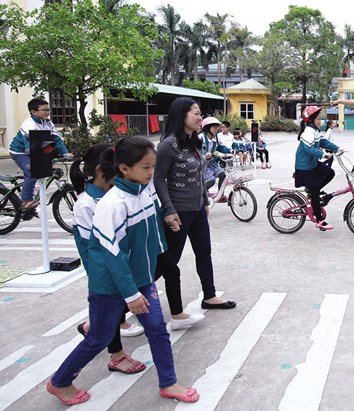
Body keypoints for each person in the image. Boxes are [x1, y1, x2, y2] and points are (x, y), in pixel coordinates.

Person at [47, 137, 199, 405]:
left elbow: (150, 236)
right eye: (146, 167)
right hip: (111, 285)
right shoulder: (113, 204)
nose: (152, 172)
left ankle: (169, 383)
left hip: (141, 280)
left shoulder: (142, 193)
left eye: (153, 166)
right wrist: (130, 294)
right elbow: (110, 253)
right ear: (125, 169)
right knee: (99, 338)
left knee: (158, 331)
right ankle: (60, 381)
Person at [69, 143, 146, 375]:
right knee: (110, 304)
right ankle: (116, 355)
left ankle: (92, 325)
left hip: (118, 261)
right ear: (103, 170)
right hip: (101, 265)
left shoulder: (113, 194)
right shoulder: (87, 204)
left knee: (114, 304)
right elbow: (96, 247)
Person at [154, 97, 236, 310]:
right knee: (168, 262)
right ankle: (128, 301)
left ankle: (209, 295)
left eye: (200, 114)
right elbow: (158, 178)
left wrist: (205, 200)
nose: (200, 118)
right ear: (182, 116)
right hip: (178, 212)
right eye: (196, 113)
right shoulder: (168, 145)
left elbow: (200, 174)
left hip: (198, 208)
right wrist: (169, 209)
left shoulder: (195, 142)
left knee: (204, 252)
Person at [9, 98, 74, 210]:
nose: (48, 112)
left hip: (36, 149)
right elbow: (29, 145)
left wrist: (65, 153)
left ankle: (31, 193)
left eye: (48, 110)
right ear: (33, 112)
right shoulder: (28, 124)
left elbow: (56, 139)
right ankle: (26, 201)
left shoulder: (48, 123)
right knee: (32, 172)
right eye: (44, 110)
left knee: (41, 171)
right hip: (20, 152)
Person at [294, 106, 342, 231]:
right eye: (319, 119)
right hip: (304, 167)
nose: (321, 121)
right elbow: (309, 149)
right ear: (311, 120)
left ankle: (311, 191)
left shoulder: (315, 131)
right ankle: (319, 220)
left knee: (330, 173)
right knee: (315, 192)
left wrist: (337, 148)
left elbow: (324, 142)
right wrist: (323, 154)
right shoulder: (308, 132)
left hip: (312, 164)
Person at [199, 117, 230, 199]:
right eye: (214, 127)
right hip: (203, 164)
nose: (216, 129)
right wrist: (205, 154)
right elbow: (196, 150)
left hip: (212, 162)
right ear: (207, 128)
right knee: (211, 181)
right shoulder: (200, 137)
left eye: (217, 127)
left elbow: (221, 147)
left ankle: (220, 196)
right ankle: (198, 195)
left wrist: (230, 151)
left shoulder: (215, 138)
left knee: (223, 175)